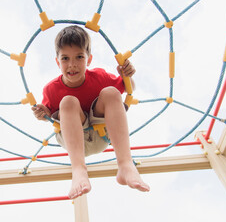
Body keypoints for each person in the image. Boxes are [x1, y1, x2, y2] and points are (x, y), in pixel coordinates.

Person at [32, 25, 150, 199]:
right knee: (68, 101)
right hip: (71, 139)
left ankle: (125, 164)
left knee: (111, 92)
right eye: (65, 58)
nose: (72, 64)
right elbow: (47, 116)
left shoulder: (99, 77)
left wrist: (128, 75)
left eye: (79, 57)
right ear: (57, 62)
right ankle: (78, 170)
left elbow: (128, 88)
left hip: (101, 134)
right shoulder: (51, 89)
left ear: (89, 59)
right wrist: (41, 114)